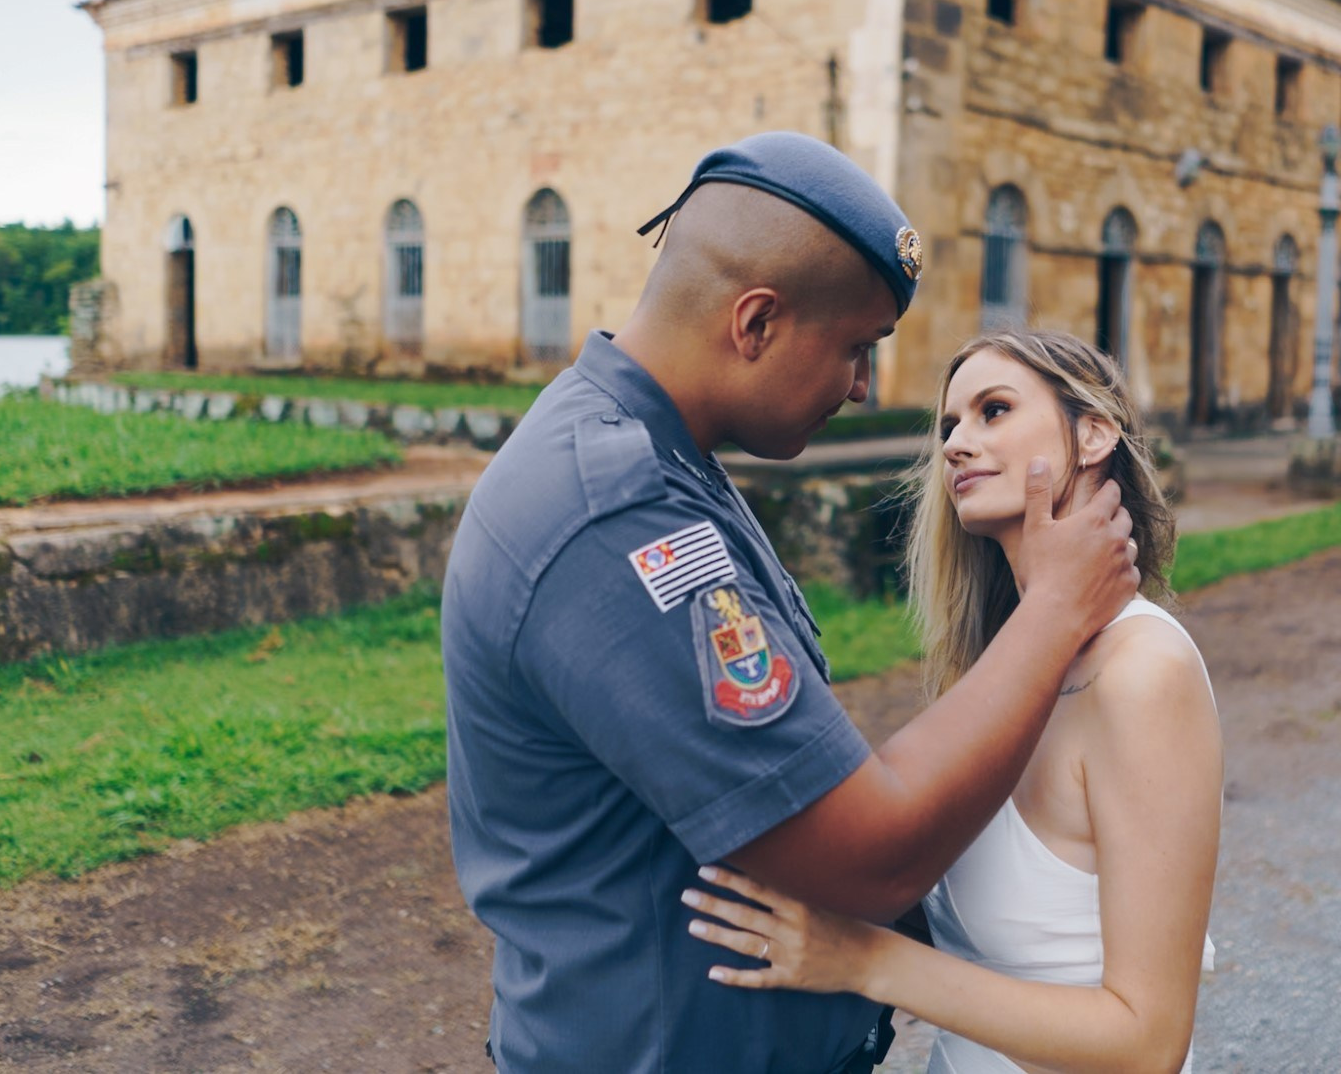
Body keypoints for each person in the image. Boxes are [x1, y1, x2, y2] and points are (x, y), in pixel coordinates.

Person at [442, 133, 1140, 1073]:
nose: (862, 387)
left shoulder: (662, 460)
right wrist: (1056, 606)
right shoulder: (619, 516)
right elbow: (868, 854)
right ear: (756, 322)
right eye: (857, 348)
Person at [682, 329, 1226, 1074]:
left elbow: (1147, 1041)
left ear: (1094, 432)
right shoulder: (1003, 663)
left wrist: (866, 959)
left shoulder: (1143, 672)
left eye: (993, 410)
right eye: (948, 426)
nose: (957, 443)